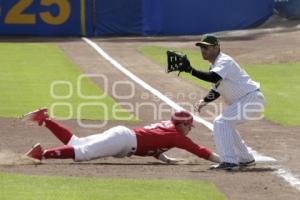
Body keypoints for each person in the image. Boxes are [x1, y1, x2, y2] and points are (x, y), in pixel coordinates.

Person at [182, 34, 265, 170]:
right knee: (227, 125)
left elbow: (213, 77)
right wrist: (204, 101)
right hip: (246, 100)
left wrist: (191, 70)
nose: (203, 50)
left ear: (216, 47)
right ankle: (246, 159)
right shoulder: (214, 65)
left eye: (206, 47)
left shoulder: (224, 61)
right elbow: (216, 89)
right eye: (202, 47)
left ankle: (229, 162)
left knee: (221, 122)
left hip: (251, 99)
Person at [23, 108, 220, 165]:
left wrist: (166, 159)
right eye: (190, 126)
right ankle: (41, 154)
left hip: (124, 137)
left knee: (77, 143)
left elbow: (155, 143)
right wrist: (223, 160)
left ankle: (45, 119)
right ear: (183, 124)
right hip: (123, 141)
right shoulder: (177, 136)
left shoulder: (170, 130)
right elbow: (200, 151)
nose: (190, 129)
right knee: (83, 152)